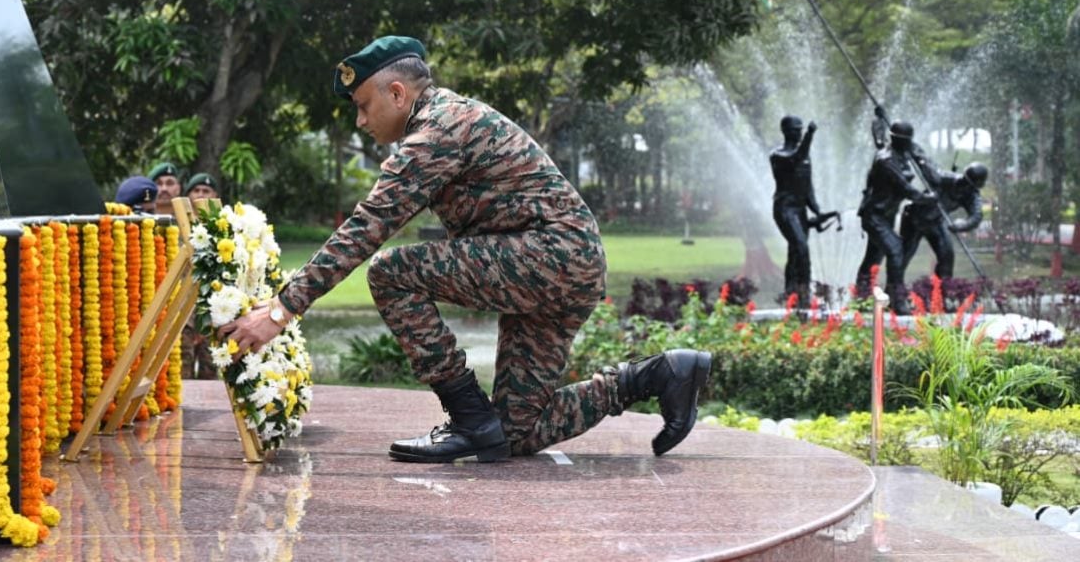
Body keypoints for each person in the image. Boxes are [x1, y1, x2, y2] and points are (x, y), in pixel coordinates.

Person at [218, 35, 711, 463]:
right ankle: (655, 375)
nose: (361, 121)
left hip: (551, 257)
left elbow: (369, 226)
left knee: (391, 272)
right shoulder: (438, 120)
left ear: (397, 92)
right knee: (516, 433)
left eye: (363, 105)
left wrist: (282, 310)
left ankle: (467, 417)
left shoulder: (437, 129)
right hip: (560, 264)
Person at [854, 115, 927, 313]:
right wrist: (927, 198)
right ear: (901, 140)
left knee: (873, 257)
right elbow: (905, 188)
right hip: (874, 215)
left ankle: (861, 297)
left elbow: (881, 136)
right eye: (908, 140)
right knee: (895, 250)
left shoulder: (899, 153)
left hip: (886, 215)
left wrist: (878, 118)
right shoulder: (886, 160)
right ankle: (896, 300)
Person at [901, 162, 987, 284]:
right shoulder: (946, 178)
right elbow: (930, 171)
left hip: (936, 222)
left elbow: (976, 216)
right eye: (964, 181)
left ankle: (941, 292)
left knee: (947, 256)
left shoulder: (972, 195)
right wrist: (924, 168)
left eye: (969, 185)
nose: (965, 186)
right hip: (914, 218)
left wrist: (962, 225)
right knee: (903, 255)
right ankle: (893, 290)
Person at [769, 115, 823, 306]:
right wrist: (810, 135)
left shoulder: (805, 156)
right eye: (795, 129)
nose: (799, 133)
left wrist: (817, 211)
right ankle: (804, 294)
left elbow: (808, 186)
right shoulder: (778, 155)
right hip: (785, 209)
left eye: (800, 129)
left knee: (794, 251)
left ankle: (790, 290)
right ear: (785, 131)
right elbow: (795, 158)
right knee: (801, 246)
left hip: (800, 211)